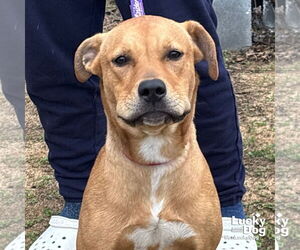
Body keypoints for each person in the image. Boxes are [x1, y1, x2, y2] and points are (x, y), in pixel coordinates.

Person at [7, 0, 258, 249]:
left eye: (173, 55)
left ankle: (228, 208)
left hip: (192, 176)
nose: (151, 84)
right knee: (52, 39)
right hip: (113, 179)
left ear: (199, 49)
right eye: (122, 60)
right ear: (90, 62)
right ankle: (77, 206)